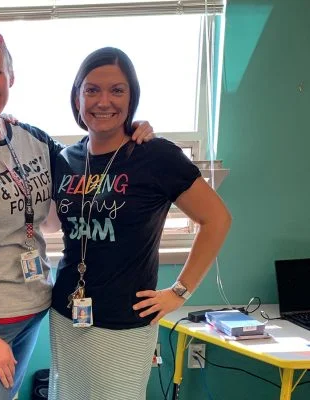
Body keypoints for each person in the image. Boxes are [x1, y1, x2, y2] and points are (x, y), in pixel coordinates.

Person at [0, 13, 154, 400]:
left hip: (33, 306)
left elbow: (83, 175)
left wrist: (131, 133)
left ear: (11, 76)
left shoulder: (31, 138)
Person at [48, 47, 232, 400]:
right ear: (77, 97)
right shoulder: (66, 159)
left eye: (117, 90)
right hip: (66, 312)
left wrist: (180, 291)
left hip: (126, 318)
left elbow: (217, 219)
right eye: (92, 90)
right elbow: (52, 224)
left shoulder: (155, 156)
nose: (104, 101)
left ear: (131, 98)